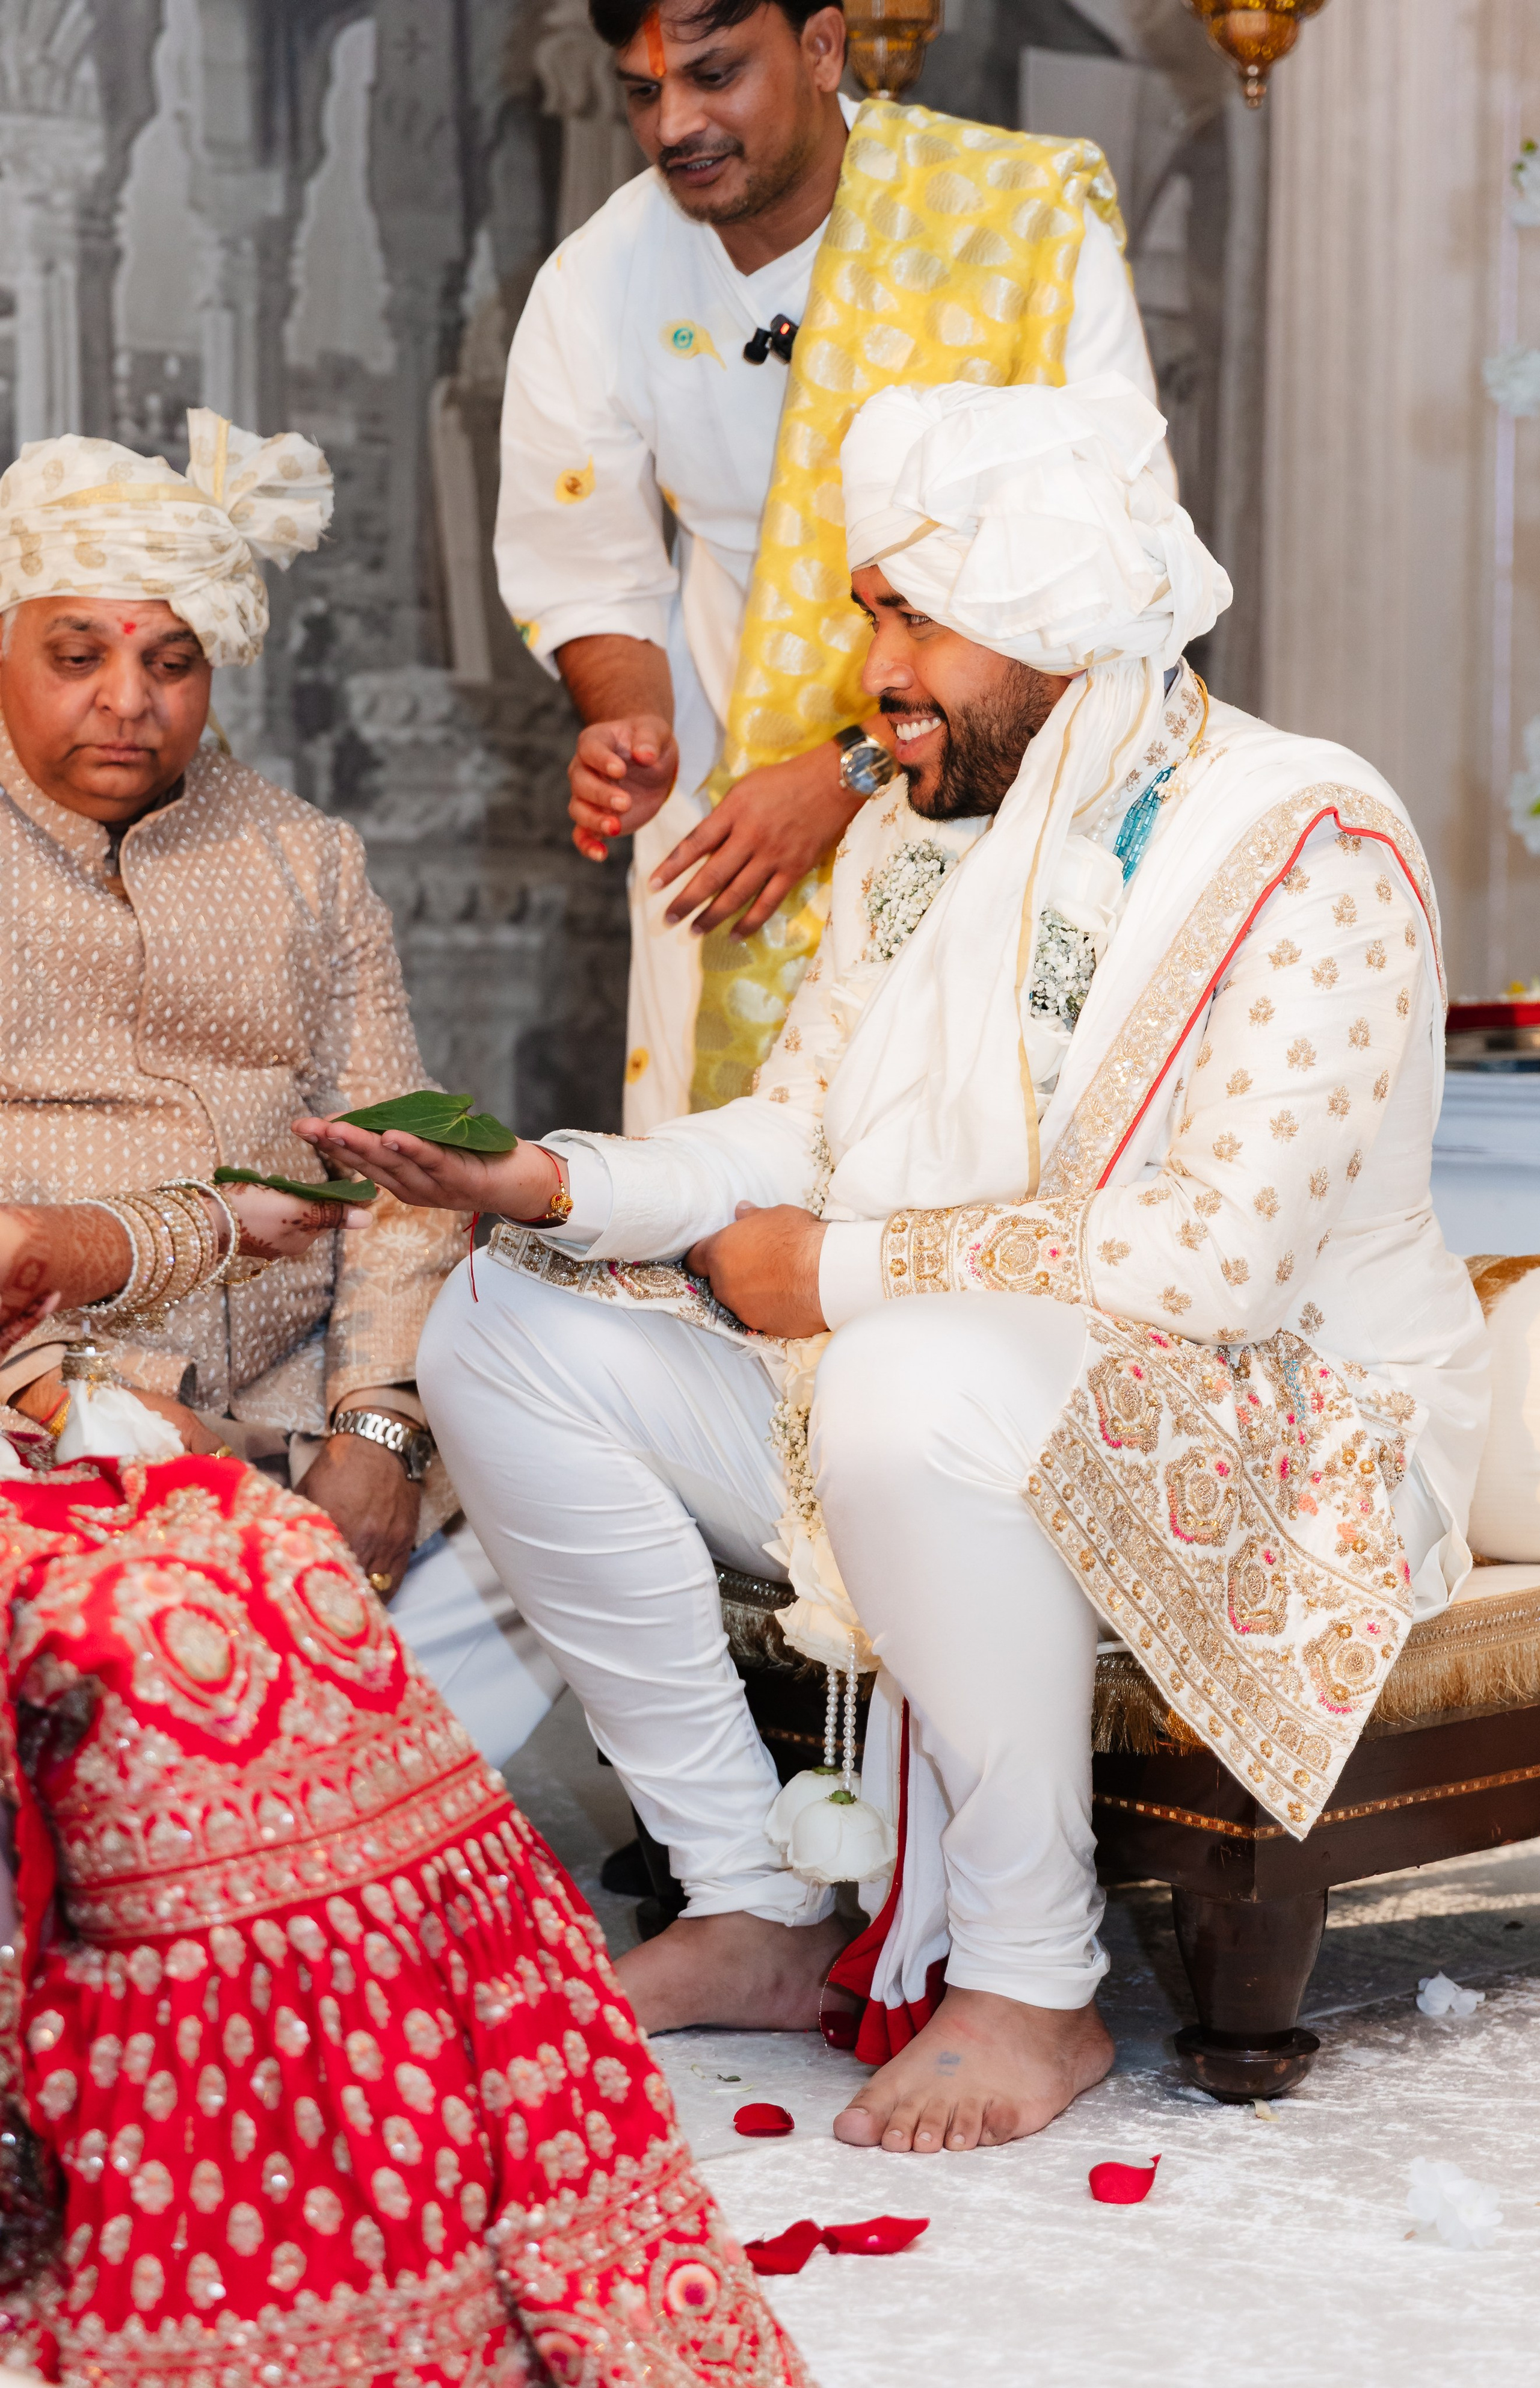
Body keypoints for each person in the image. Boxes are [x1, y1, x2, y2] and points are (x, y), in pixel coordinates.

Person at [306, 374, 1489, 2158]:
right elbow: (799, 1130)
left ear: (1050, 609)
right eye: (877, 608)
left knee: (902, 1366)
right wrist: (555, 1180)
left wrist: (842, 1272)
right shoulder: (916, 841)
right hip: (951, 1402)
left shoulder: (1308, 843)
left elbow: (1209, 1261)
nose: (876, 671)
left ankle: (1030, 1977)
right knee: (501, 1323)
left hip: (1291, 1432)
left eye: (912, 612)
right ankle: (755, 1902)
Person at [0, 1200, 807, 2388]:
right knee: (160, 1632)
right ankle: (195, 2129)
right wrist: (196, 1234)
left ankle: (333, 2116)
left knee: (329, 1547)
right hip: (81, 1374)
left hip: (221, 1391)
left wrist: (377, 1425)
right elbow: (24, 1238)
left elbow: (401, 1196)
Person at [498, 0, 1171, 1130]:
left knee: (959, 1155)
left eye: (716, 76)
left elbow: (1117, 565)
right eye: (645, 91)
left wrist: (847, 773)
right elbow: (592, 569)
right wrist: (633, 729)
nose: (677, 125)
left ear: (822, 47)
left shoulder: (1016, 223)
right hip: (726, 785)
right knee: (715, 1175)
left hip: (1009, 782)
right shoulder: (600, 279)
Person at [0, 412, 558, 1767]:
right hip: (41, 1392)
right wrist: (77, 1393)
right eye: (79, 655)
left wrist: (377, 1430)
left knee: (554, 1533)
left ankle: (300, 1789)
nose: (127, 699)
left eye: (171, 660)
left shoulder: (304, 859)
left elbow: (403, 1160)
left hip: (297, 1401)